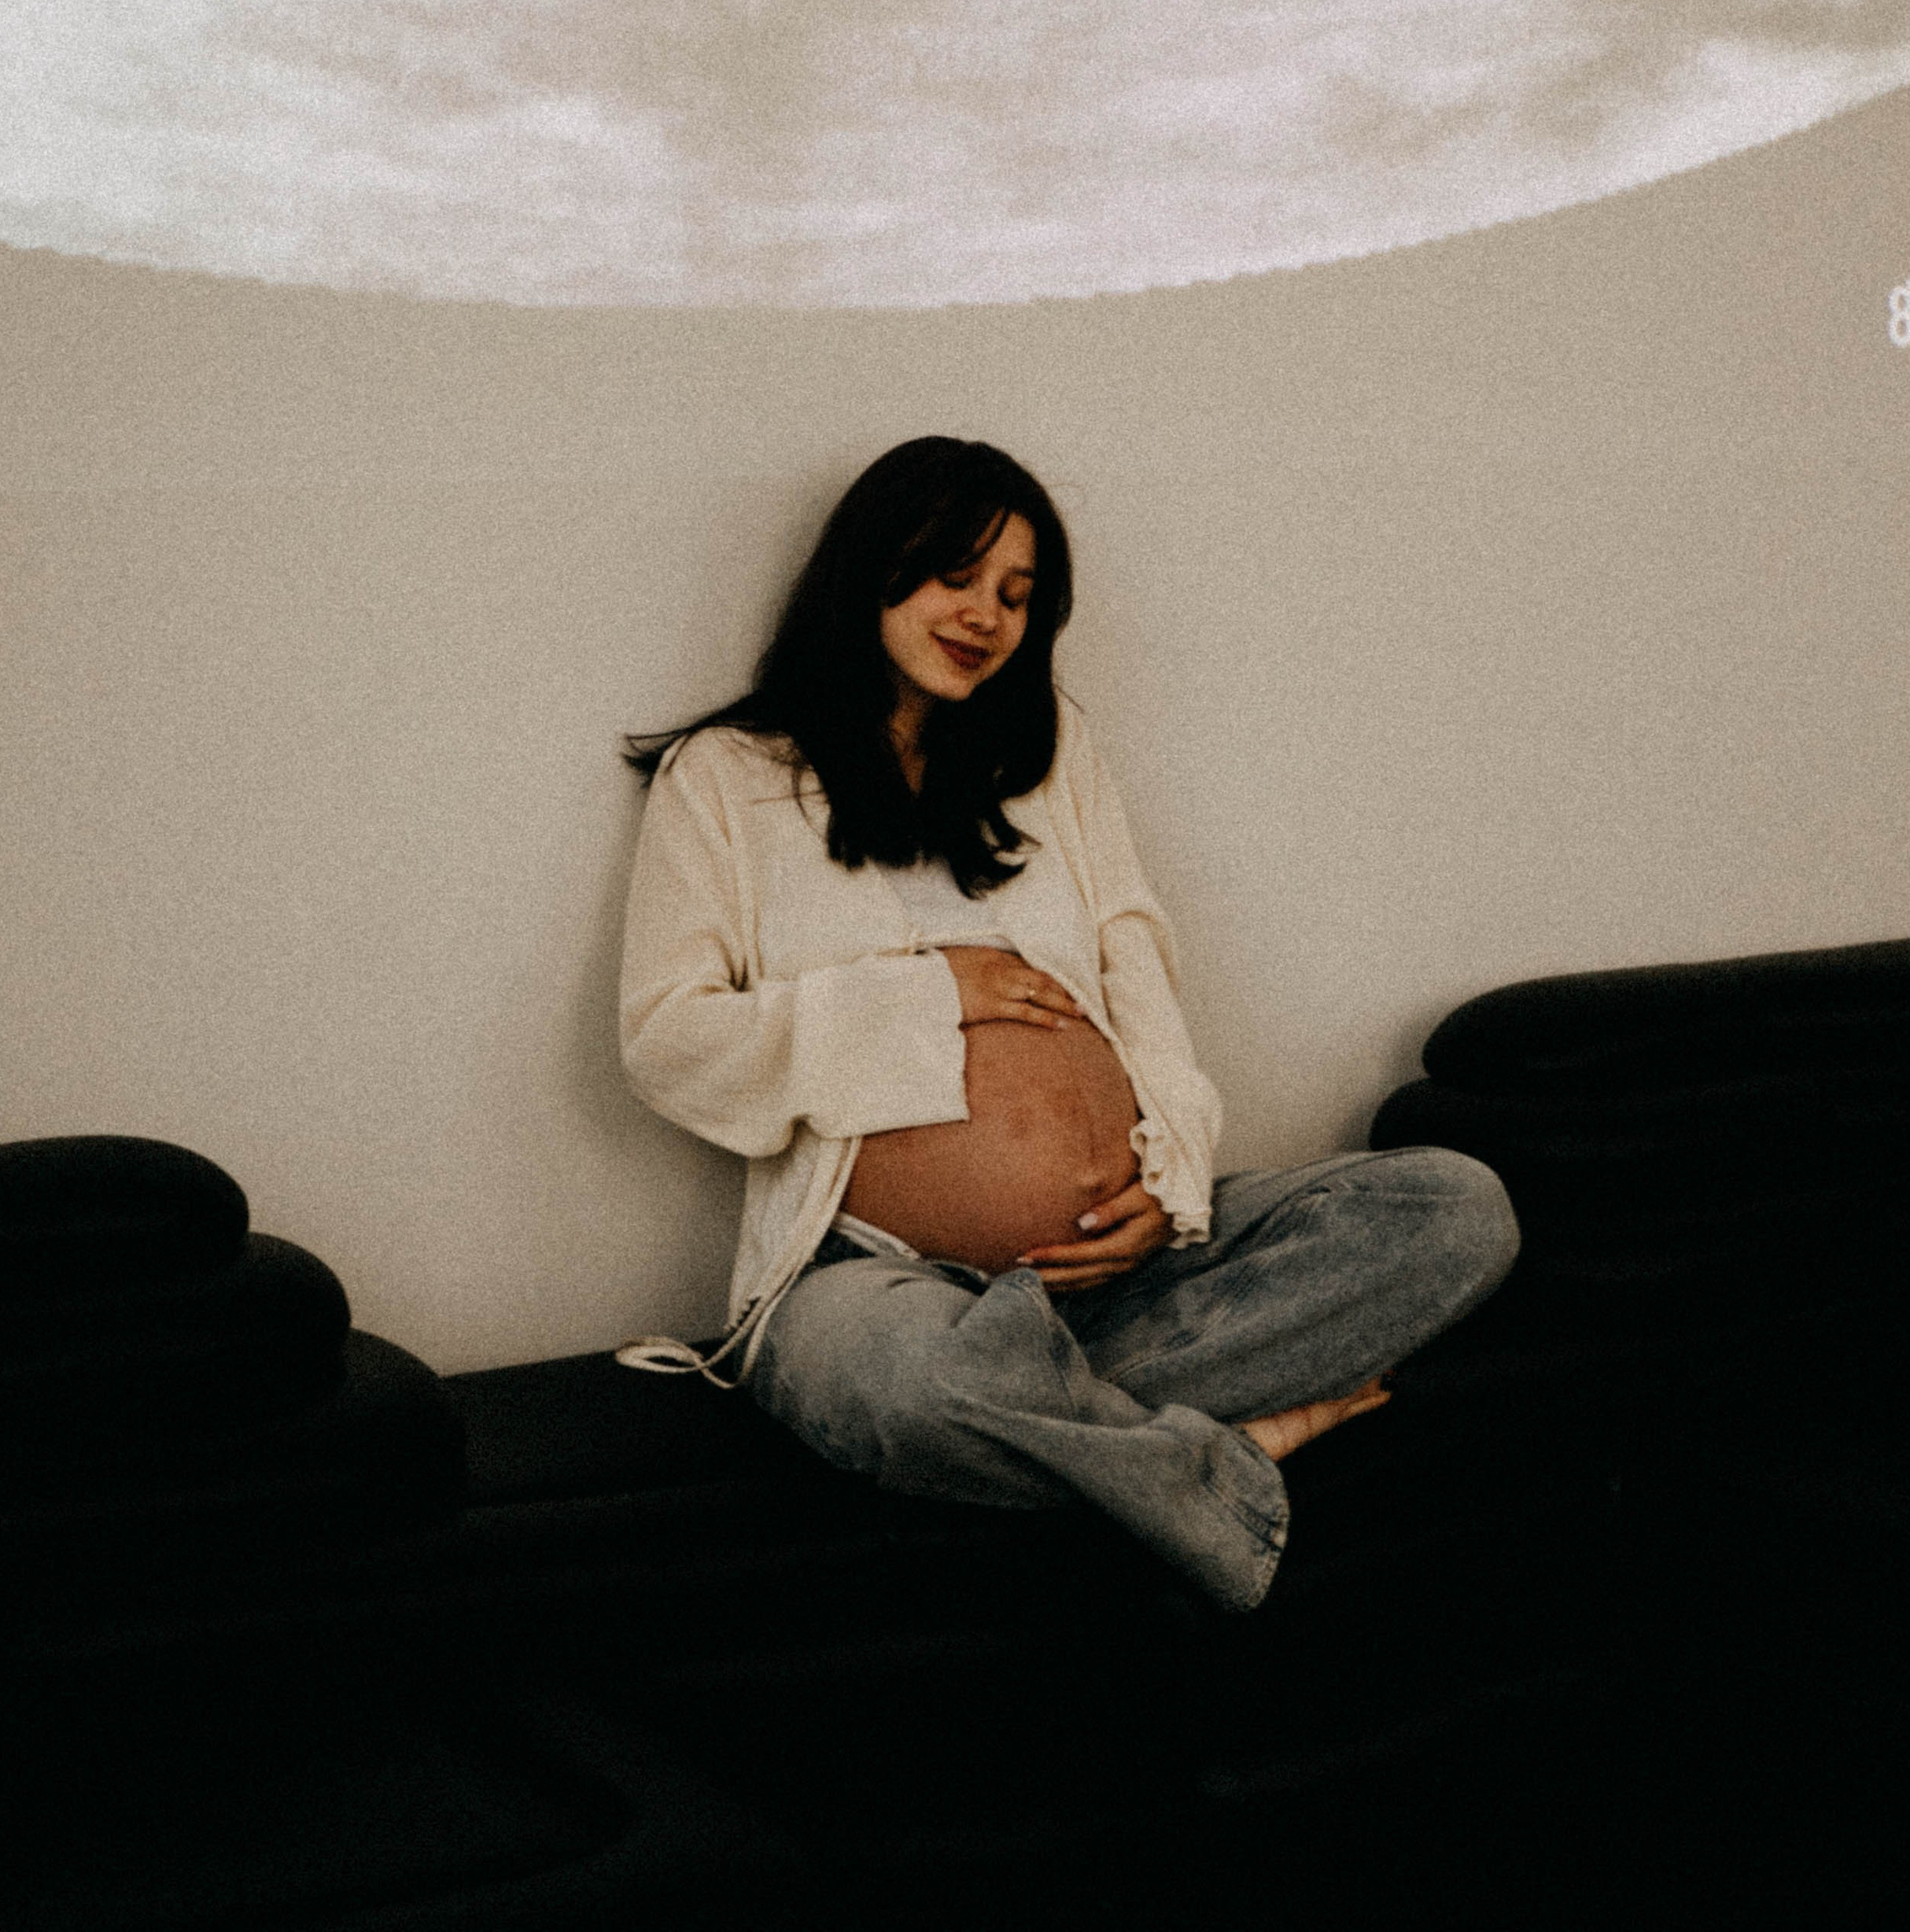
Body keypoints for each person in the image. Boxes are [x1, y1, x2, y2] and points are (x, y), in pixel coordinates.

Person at [614, 436, 1518, 1614]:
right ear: (871, 569)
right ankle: (1221, 1460)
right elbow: (669, 1042)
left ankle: (1056, 1414)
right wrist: (933, 989)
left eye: (1016, 595)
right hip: (872, 1284)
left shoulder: (1047, 755)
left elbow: (1137, 966)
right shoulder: (726, 777)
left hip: (1118, 1278)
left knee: (1456, 1207)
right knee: (910, 1387)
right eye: (957, 576)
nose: (986, 616)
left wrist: (1173, 1181)